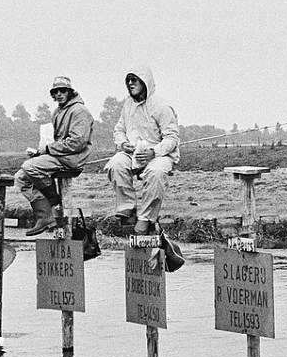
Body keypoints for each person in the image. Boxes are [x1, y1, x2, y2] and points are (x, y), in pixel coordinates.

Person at [103, 66, 180, 235]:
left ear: (145, 82)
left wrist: (154, 152)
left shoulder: (161, 106)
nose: (130, 83)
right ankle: (127, 210)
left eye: (134, 80)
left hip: (159, 154)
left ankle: (146, 218)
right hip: (133, 152)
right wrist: (123, 144)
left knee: (156, 173)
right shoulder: (128, 105)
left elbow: (172, 138)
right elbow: (119, 129)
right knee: (116, 164)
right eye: (128, 80)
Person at [15, 76, 95, 236]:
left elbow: (77, 143)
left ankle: (55, 203)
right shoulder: (58, 111)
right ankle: (45, 216)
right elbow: (57, 139)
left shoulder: (79, 111)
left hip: (72, 158)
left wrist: (48, 149)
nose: (59, 94)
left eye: (63, 90)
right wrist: (41, 150)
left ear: (70, 92)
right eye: (55, 91)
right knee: (20, 178)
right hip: (58, 155)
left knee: (29, 166)